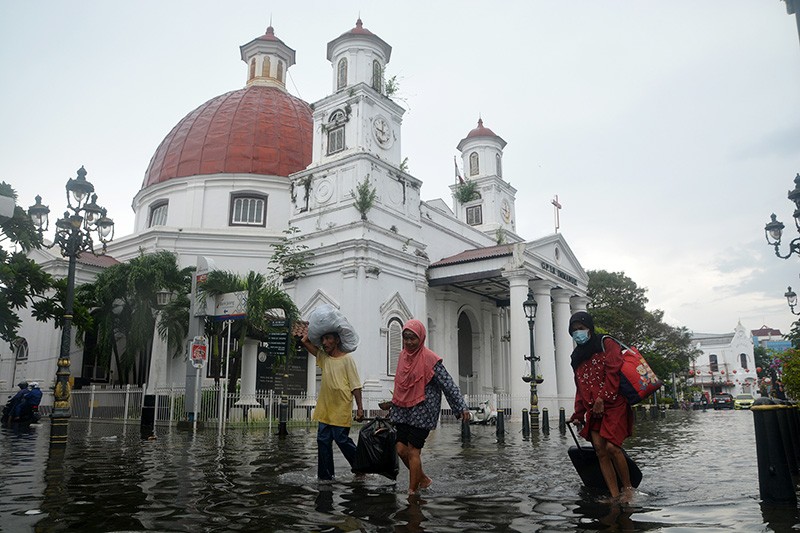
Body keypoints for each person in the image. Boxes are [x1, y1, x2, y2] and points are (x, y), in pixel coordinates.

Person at [381, 319, 470, 494]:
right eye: (406, 338)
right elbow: (401, 384)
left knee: (414, 451)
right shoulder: (402, 356)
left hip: (422, 410)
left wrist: (461, 407)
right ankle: (423, 479)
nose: (408, 342)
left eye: (412, 338)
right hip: (402, 410)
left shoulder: (430, 359)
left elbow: (448, 384)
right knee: (400, 449)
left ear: (420, 338)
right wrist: (392, 406)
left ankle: (412, 492)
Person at [567, 311, 635, 502]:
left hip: (614, 404)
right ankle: (614, 495)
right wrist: (578, 413)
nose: (577, 333)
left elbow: (614, 371)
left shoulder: (606, 343)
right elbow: (580, 385)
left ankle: (628, 489)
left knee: (613, 447)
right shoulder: (576, 356)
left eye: (581, 328)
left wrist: (603, 398)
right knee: (599, 449)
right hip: (592, 408)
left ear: (589, 328)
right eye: (573, 330)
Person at [300, 328, 365, 482]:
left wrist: (360, 408)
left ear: (337, 340)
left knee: (341, 439)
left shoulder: (347, 360)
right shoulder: (324, 358)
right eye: (322, 339)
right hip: (325, 409)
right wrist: (314, 331)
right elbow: (305, 342)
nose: (324, 343)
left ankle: (361, 467)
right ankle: (325, 477)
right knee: (322, 441)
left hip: (341, 407)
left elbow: (356, 386)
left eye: (328, 338)